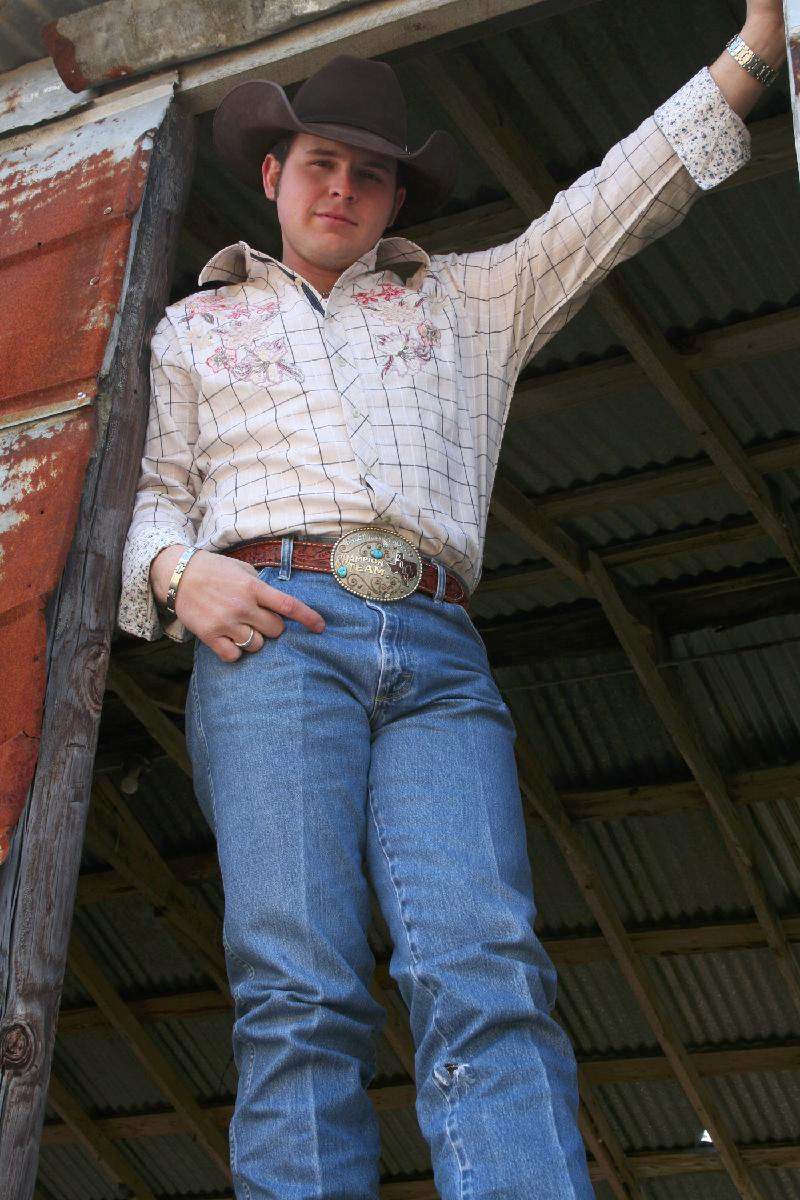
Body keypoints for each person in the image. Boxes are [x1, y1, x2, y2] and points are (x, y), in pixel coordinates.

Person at [117, 5, 787, 1197]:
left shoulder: (463, 303)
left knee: (484, 964)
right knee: (299, 982)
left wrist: (751, 52)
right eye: (320, 163)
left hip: (435, 648)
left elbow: (609, 207)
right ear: (273, 174)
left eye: (368, 174)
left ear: (392, 200)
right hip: (274, 635)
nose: (342, 188)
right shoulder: (191, 329)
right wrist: (178, 575)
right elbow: (149, 498)